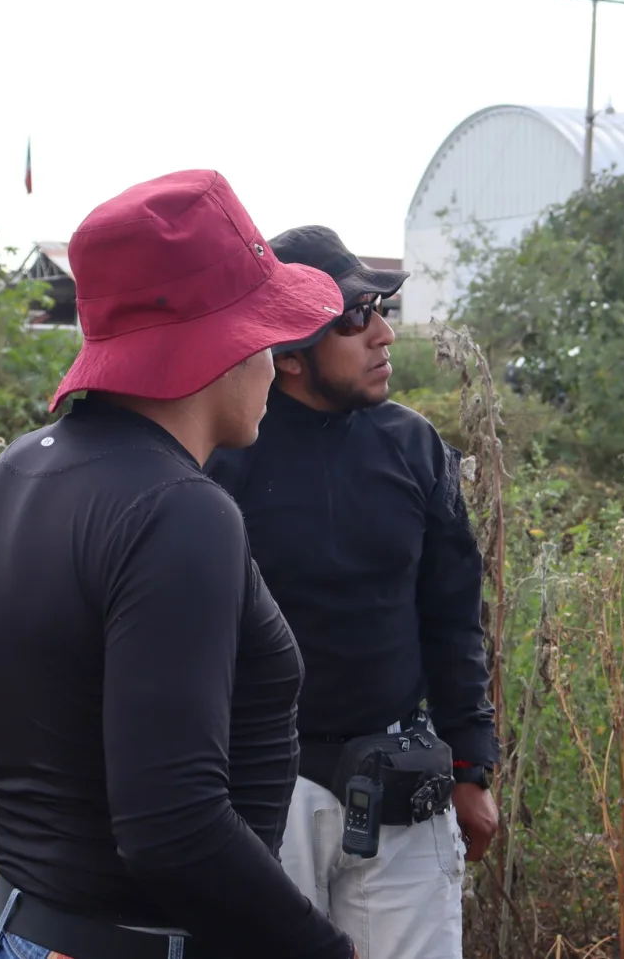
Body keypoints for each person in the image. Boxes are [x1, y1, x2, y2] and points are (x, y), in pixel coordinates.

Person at [0, 171, 360, 959]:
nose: (273, 359)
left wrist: (58, 884)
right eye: (266, 334)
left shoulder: (7, 478)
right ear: (220, 344)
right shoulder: (180, 511)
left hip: (15, 931)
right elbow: (174, 826)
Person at [205, 225, 499, 959]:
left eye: (380, 311)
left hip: (400, 783)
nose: (384, 335)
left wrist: (470, 767)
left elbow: (453, 616)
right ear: (290, 351)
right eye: (355, 317)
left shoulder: (414, 446)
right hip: (265, 793)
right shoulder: (220, 459)